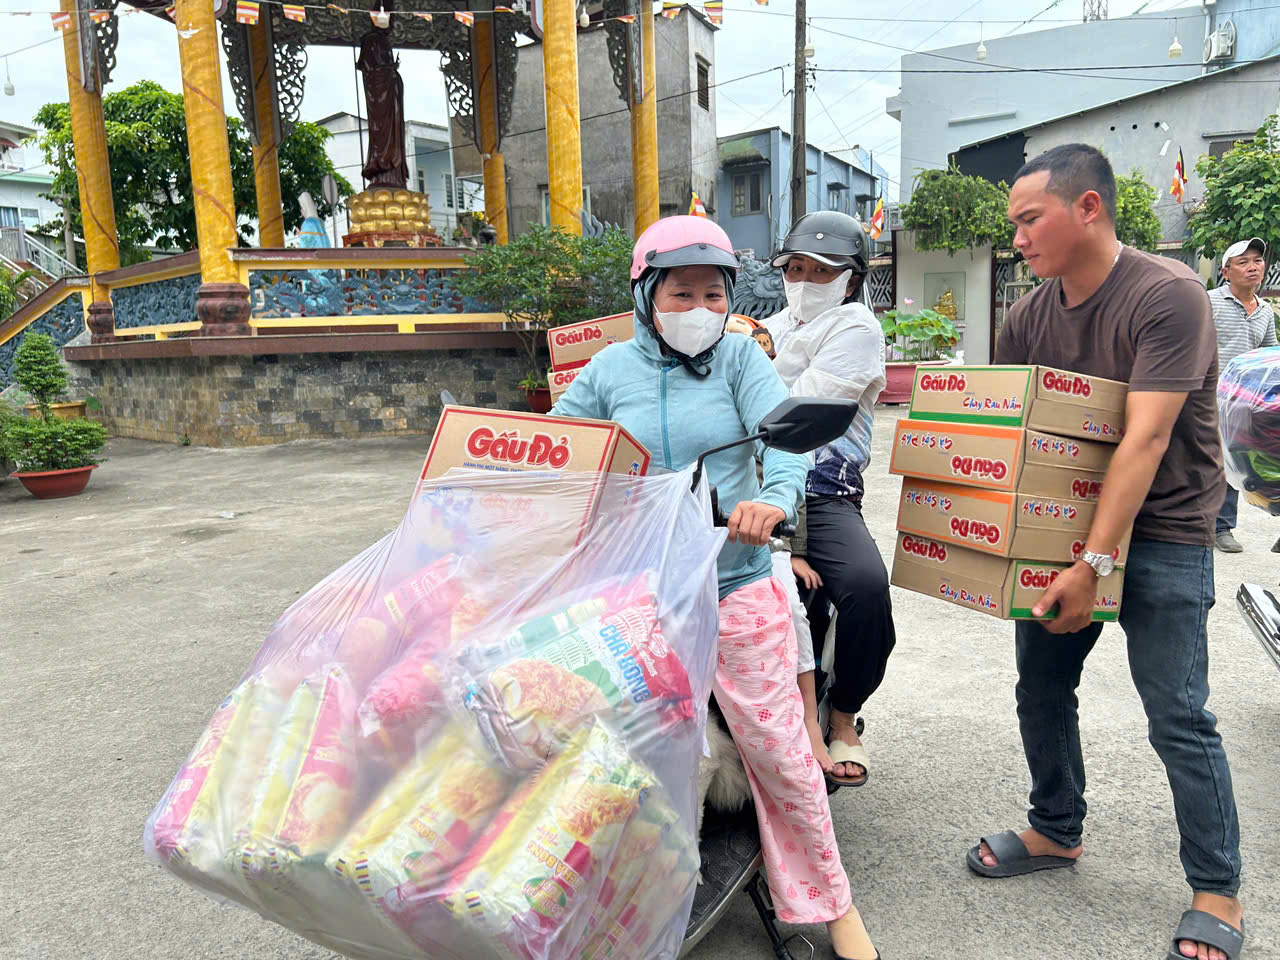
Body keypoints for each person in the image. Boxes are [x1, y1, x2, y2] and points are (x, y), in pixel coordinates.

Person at [553, 216, 880, 960]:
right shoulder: (607, 371)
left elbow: (789, 441)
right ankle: (623, 890)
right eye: (681, 292)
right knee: (614, 743)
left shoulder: (739, 359)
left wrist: (777, 503)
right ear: (646, 296)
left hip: (733, 581)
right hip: (642, 594)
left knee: (779, 748)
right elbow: (560, 446)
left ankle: (834, 906)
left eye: (712, 293)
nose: (698, 308)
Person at [972, 143, 1243, 960]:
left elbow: (1146, 436)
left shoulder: (1169, 295)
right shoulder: (1027, 315)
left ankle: (1217, 888)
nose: (1015, 238)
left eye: (1028, 219)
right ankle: (1056, 828)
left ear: (1087, 207)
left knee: (1178, 716)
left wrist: (1095, 565)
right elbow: (1007, 431)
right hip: (1058, 531)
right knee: (1041, 690)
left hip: (1162, 531)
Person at [762, 211, 893, 788]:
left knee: (865, 589)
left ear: (851, 278)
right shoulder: (765, 325)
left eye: (823, 271)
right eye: (796, 268)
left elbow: (795, 412)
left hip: (822, 493)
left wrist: (753, 374)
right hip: (751, 485)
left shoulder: (856, 327)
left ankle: (842, 716)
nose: (806, 280)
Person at [1209, 236, 1278, 553]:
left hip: (1243, 405)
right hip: (1206, 396)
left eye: (1257, 261)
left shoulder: (1264, 310)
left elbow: (1269, 357)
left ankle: (1222, 527)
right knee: (1202, 460)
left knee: (1235, 462)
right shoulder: (1209, 302)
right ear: (1225, 271)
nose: (1253, 267)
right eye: (1243, 262)